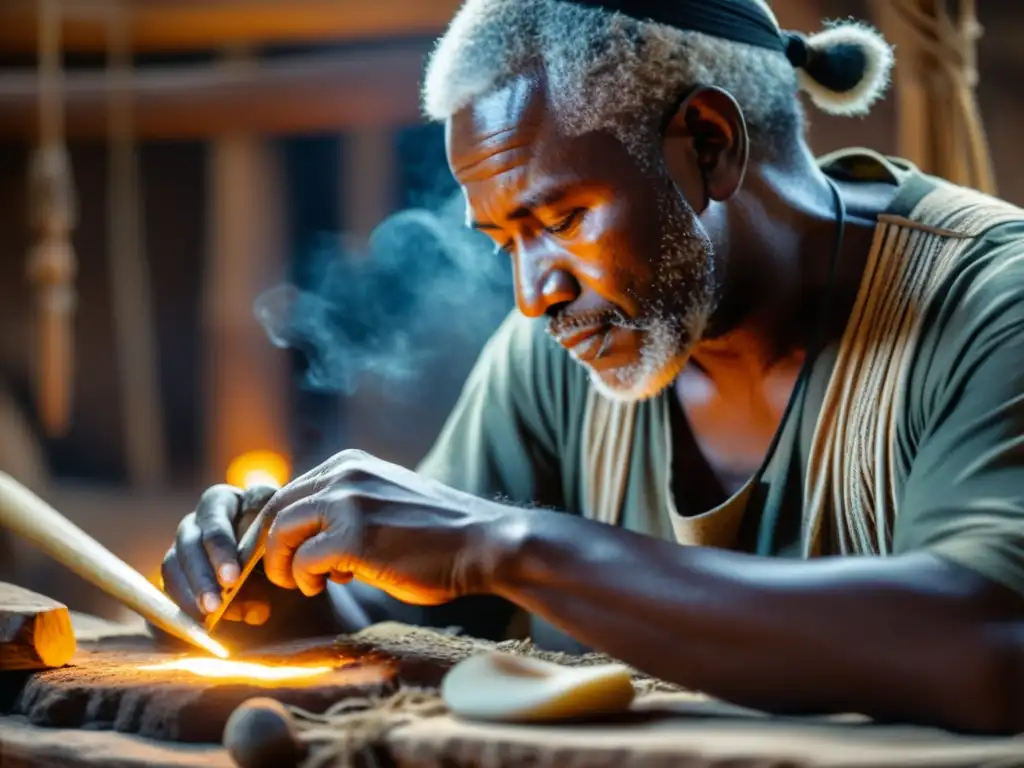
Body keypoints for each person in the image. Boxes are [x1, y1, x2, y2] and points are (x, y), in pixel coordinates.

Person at [159, 0, 1024, 733]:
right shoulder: (556, 363)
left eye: (563, 218)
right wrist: (277, 581)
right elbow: (406, 618)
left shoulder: (991, 301)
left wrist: (507, 544)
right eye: (506, 240)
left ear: (709, 144)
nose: (534, 294)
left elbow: (991, 646)